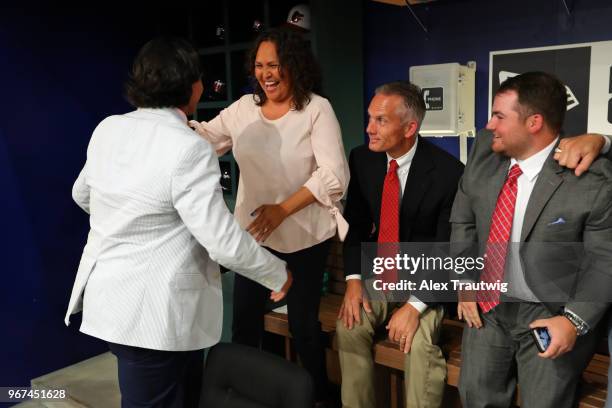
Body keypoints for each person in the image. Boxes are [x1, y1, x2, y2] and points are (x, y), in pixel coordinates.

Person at [65, 37, 292, 408]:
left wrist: (129, 217)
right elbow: (221, 241)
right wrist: (276, 274)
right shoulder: (188, 147)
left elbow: (82, 195)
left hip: (117, 303)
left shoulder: (108, 128)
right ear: (192, 85)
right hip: (156, 316)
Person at [189, 28, 349, 404]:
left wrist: (282, 210)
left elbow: (334, 175)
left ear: (293, 65)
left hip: (306, 239)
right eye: (260, 66)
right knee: (244, 324)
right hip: (256, 240)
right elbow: (205, 140)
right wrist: (169, 124)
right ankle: (245, 397)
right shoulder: (243, 108)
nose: (267, 73)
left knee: (303, 327)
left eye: (274, 65)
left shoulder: (316, 109)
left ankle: (315, 398)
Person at [451, 71, 612, 407]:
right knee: (476, 397)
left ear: (534, 122)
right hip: (489, 307)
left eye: (499, 116)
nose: (489, 125)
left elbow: (603, 260)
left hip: (550, 312)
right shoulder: (485, 151)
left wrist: (573, 321)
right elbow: (464, 220)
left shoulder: (589, 176)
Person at [336, 81, 464, 408]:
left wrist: (414, 306)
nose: (369, 129)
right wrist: (353, 282)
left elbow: (446, 250)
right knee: (349, 326)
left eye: (381, 121)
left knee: (417, 344)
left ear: (410, 127)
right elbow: (357, 226)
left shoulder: (449, 174)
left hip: (426, 283)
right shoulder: (363, 159)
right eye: (370, 118)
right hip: (380, 275)